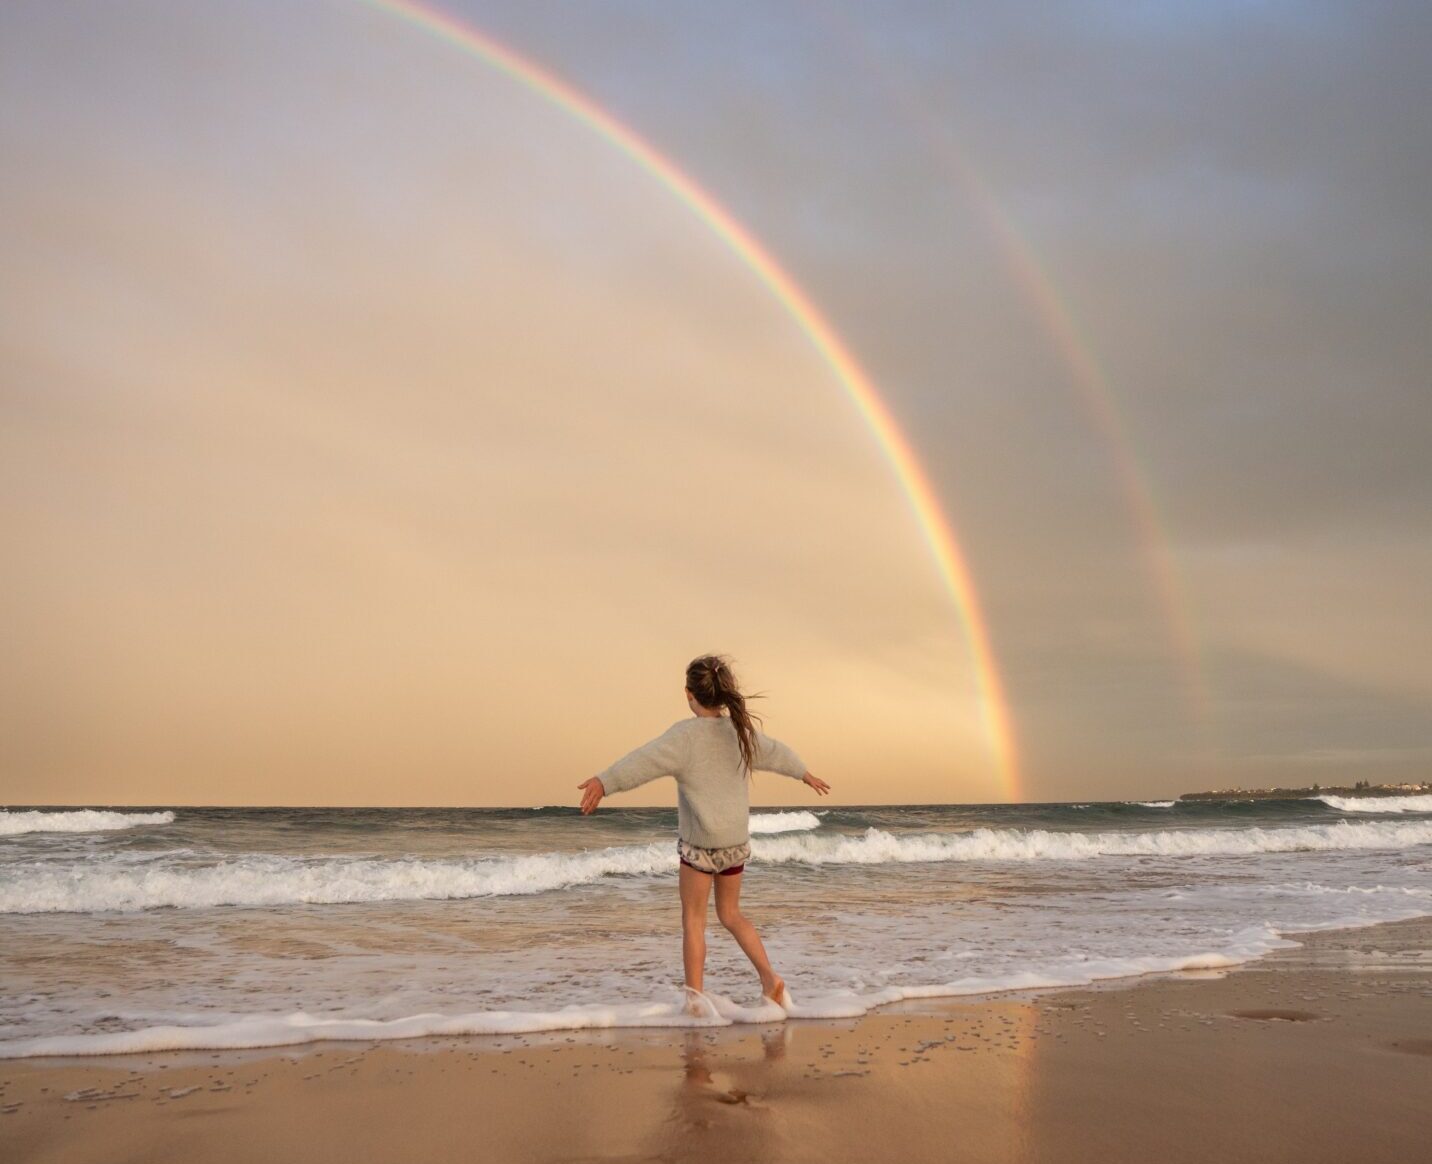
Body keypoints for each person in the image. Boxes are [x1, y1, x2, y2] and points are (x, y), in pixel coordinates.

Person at [577, 654, 831, 1016]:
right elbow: (776, 753)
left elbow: (642, 761)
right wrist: (804, 773)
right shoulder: (739, 734)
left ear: (688, 694)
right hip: (734, 845)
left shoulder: (684, 737)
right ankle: (771, 981)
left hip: (699, 848)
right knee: (732, 915)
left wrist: (606, 781)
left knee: (694, 921)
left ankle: (695, 1001)